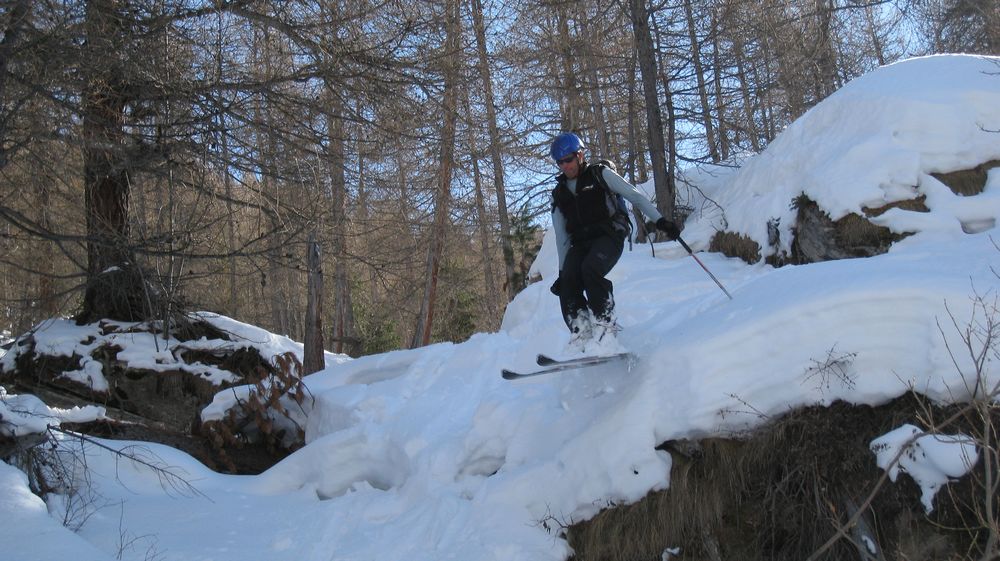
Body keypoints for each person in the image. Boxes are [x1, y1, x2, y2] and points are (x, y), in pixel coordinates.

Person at [548, 132, 680, 353]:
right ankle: (581, 329)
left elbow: (634, 196)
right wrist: (562, 272)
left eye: (568, 159)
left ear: (580, 155)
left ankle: (605, 325)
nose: (564, 166)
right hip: (581, 243)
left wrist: (660, 221)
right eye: (559, 162)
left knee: (590, 269)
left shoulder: (600, 174)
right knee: (569, 280)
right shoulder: (559, 194)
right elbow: (562, 236)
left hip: (609, 235)